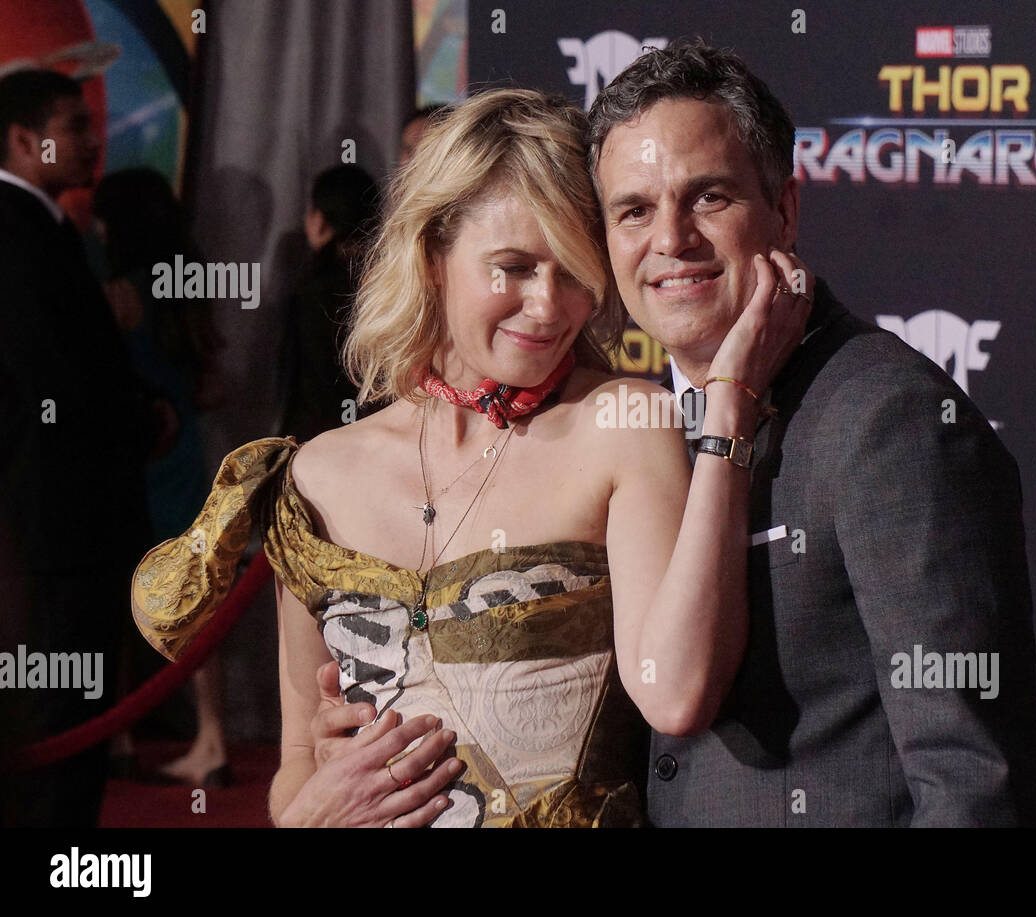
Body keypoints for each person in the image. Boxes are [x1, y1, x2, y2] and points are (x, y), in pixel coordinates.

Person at [131, 87, 811, 827]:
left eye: (575, 273)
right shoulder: (316, 478)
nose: (549, 306)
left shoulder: (620, 422)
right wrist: (305, 812)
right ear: (432, 257)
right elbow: (297, 762)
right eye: (513, 267)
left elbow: (678, 690)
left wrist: (729, 406)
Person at [586, 40, 1036, 826]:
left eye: (709, 197)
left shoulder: (890, 420)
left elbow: (971, 782)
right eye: (634, 209)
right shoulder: (631, 424)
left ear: (787, 210)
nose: (670, 240)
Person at [0, 69, 164, 827]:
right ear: (24, 140)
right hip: (52, 529)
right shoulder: (16, 229)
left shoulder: (44, 226)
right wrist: (143, 423)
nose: (93, 140)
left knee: (67, 719)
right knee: (58, 725)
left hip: (58, 526)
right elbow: (52, 380)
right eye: (76, 125)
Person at [92, 167, 229, 788]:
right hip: (186, 460)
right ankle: (212, 737)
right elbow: (208, 383)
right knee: (191, 603)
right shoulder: (186, 290)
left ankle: (117, 735)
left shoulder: (119, 291)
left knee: (120, 598)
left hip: (133, 459)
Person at [278, 163, 378, 443]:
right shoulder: (391, 279)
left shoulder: (315, 287)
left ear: (320, 220)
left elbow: (306, 381)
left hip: (317, 437)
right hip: (376, 433)